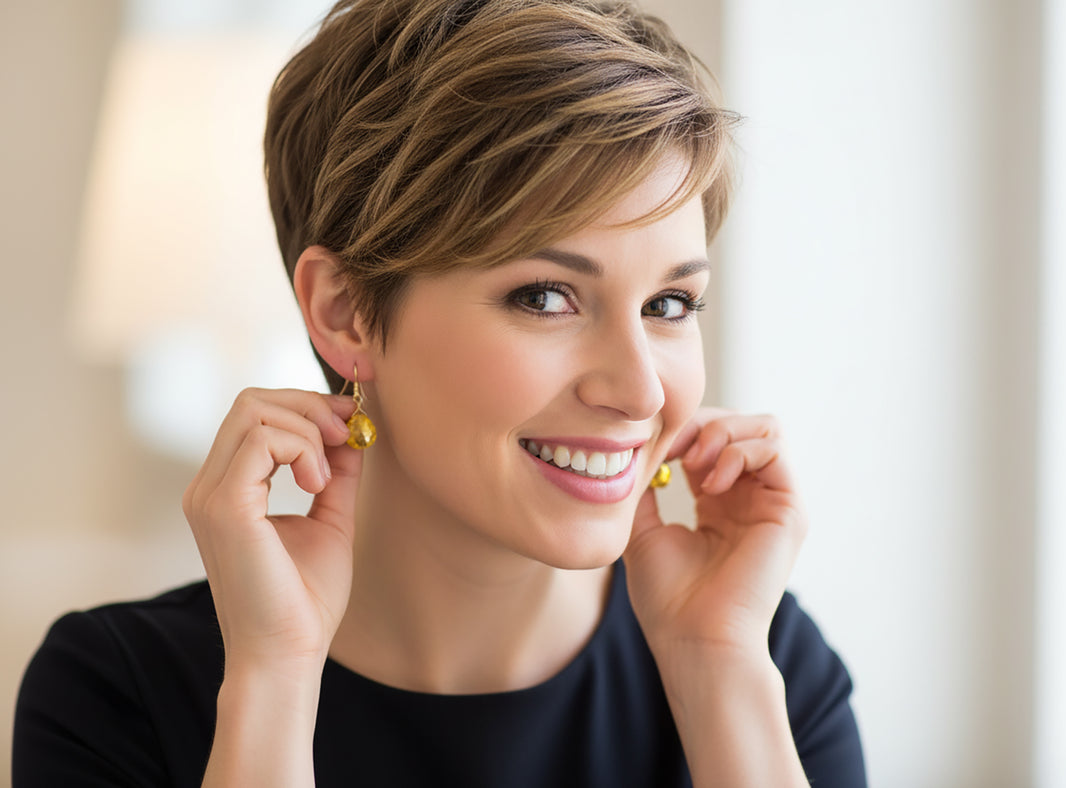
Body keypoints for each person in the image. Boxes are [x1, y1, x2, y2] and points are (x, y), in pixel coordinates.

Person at [14, 0, 867, 785]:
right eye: (546, 297)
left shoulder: (762, 660)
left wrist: (718, 671)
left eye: (670, 304)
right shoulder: (116, 693)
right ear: (345, 312)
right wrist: (273, 677)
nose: (641, 390)